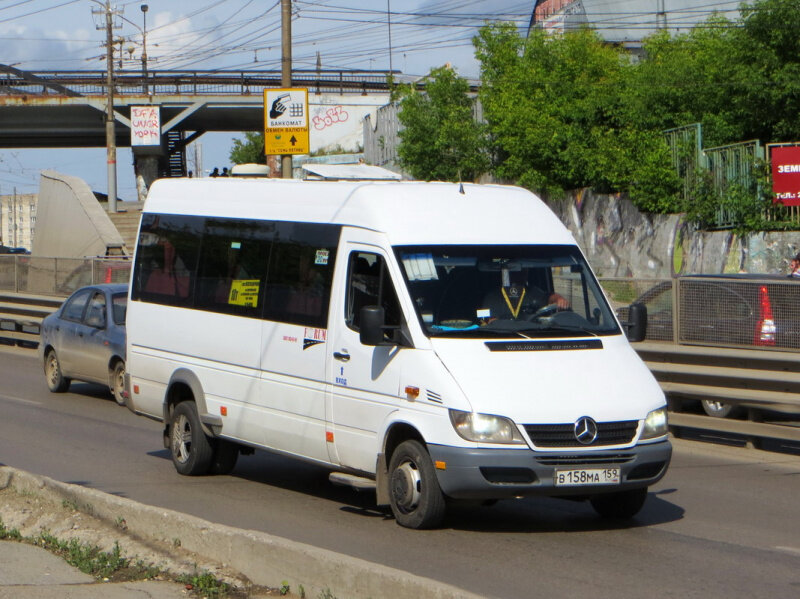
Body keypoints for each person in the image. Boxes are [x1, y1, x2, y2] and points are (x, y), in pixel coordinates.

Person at [481, 268, 569, 322]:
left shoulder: (534, 292)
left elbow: (549, 298)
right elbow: (489, 321)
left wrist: (559, 299)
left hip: (533, 336)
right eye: (517, 270)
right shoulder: (493, 297)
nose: (522, 273)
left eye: (524, 269)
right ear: (508, 273)